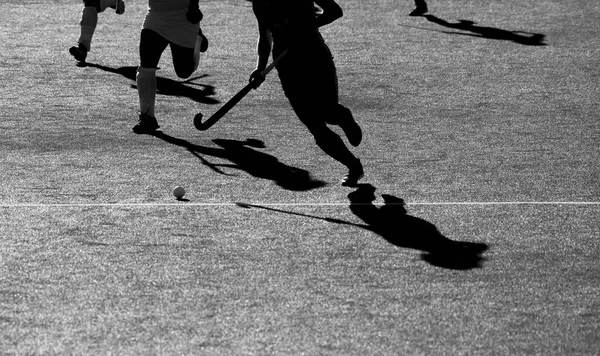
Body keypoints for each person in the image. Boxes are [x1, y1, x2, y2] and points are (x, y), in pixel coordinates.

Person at [249, 0, 364, 187]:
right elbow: (265, 35)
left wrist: (307, 27)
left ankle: (343, 117)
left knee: (328, 112)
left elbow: (335, 11)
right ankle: (353, 167)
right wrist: (260, 68)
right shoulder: (260, 2)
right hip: (287, 68)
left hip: (315, 57)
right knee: (315, 126)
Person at [132, 0, 209, 134]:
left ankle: (198, 39)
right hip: (155, 17)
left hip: (183, 18)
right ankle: (147, 118)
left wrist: (194, 5)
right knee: (146, 66)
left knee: (184, 72)